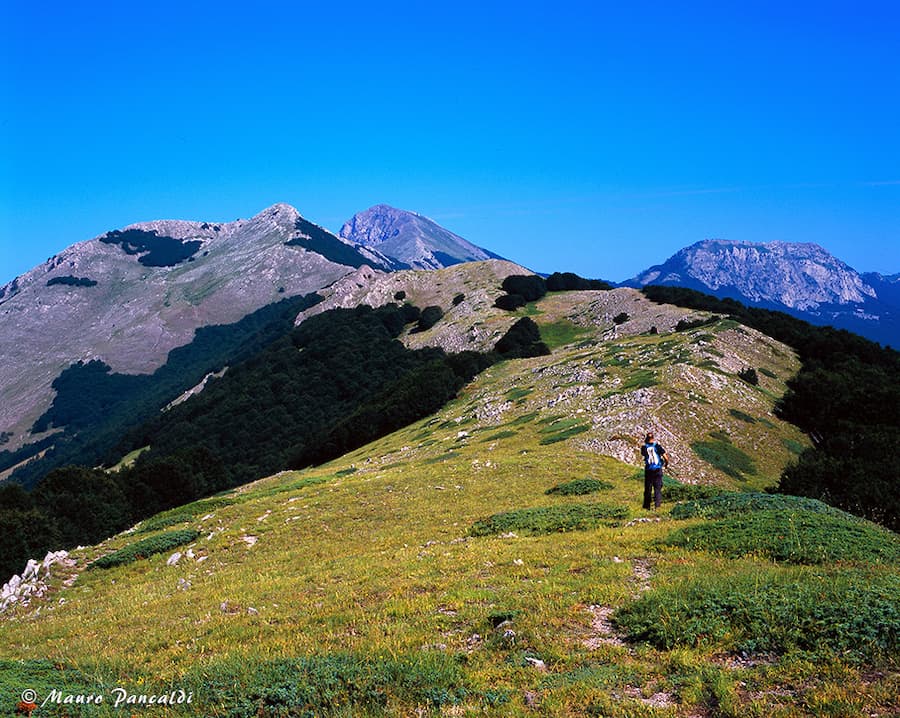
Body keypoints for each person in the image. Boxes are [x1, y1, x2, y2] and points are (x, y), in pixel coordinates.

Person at [640, 432, 668, 509]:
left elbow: (644, 455)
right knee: (657, 488)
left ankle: (646, 506)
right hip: (657, 469)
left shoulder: (644, 447)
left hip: (649, 469)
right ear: (653, 438)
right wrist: (666, 464)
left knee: (648, 488)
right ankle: (657, 506)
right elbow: (666, 457)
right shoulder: (657, 446)